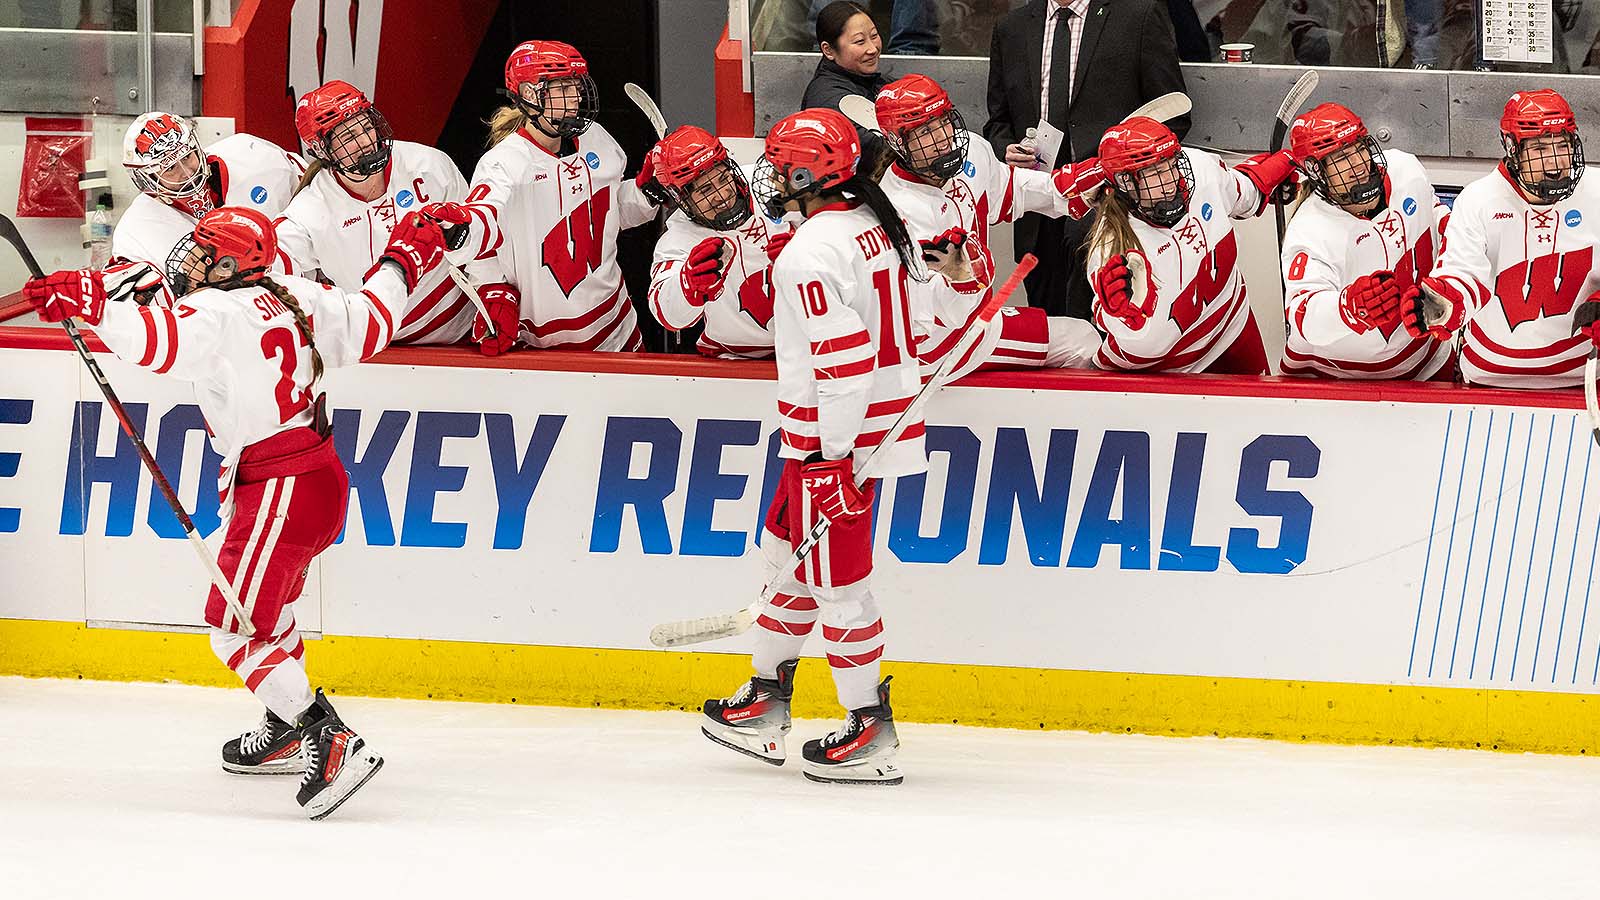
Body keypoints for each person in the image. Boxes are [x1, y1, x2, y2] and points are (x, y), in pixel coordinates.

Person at [21, 205, 451, 818]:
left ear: (227, 265)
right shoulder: (295, 292)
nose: (189, 259)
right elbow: (372, 318)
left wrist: (95, 305)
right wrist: (404, 259)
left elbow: (159, 342)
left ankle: (326, 736)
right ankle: (285, 726)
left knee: (235, 627)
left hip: (277, 487)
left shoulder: (214, 313)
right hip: (319, 479)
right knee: (269, 617)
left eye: (202, 252)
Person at [699, 108, 973, 785]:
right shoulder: (872, 227)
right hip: (832, 442)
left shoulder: (812, 250)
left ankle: (869, 728)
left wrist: (833, 459)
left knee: (841, 587)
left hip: (840, 446)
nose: (768, 178)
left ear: (804, 173)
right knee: (787, 561)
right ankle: (766, 697)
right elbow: (921, 321)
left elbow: (846, 362)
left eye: (779, 165)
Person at [427, 40, 660, 354]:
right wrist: (492, 287)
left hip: (617, 332)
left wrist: (647, 191)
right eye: (562, 88)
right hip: (543, 346)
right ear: (529, 95)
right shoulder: (504, 163)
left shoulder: (597, 139)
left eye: (576, 86)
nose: (576, 97)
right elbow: (481, 231)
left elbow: (611, 215)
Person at [873, 73, 1100, 376]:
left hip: (977, 319)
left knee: (1081, 332)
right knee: (1081, 341)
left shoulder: (974, 152)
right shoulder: (897, 212)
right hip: (938, 345)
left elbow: (1012, 187)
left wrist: (1073, 185)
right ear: (897, 142)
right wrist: (965, 279)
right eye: (924, 131)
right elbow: (936, 315)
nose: (942, 136)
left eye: (943, 120)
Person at [983, 0, 1190, 319]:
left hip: (1112, 208)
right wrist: (1006, 148)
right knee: (1050, 338)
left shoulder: (1139, 16)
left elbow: (1173, 114)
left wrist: (1125, 165)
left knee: (1109, 334)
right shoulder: (1012, 27)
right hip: (1039, 212)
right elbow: (998, 120)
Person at [1403, 89, 1600, 389]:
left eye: (1561, 146)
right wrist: (1443, 302)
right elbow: (1462, 270)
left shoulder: (1596, 190)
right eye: (1539, 150)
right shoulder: (1479, 199)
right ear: (1513, 148)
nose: (1555, 163)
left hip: (1583, 376)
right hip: (1490, 376)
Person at [1083, 116, 1296, 374]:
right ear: (1126, 183)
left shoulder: (1199, 169)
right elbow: (1136, 340)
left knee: (1264, 412)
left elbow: (1242, 192)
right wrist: (1125, 318)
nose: (1170, 180)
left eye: (1171, 164)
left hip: (1231, 325)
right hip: (1169, 368)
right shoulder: (1112, 248)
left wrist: (1271, 177)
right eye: (1154, 172)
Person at [274, 80, 476, 346]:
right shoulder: (310, 212)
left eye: (366, 127)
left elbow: (483, 239)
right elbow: (271, 268)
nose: (366, 141)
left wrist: (496, 289)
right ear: (322, 149)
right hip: (377, 348)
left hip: (458, 336)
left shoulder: (429, 166)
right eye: (348, 137)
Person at [1279, 103, 1453, 380]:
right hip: (1338, 376)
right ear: (1317, 171)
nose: (1357, 166)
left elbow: (1430, 210)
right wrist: (1349, 307)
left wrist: (1452, 230)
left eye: (1358, 150)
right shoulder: (1310, 229)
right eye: (1340, 159)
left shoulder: (1405, 169)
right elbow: (1303, 316)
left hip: (1427, 357)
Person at [646, 125, 789, 359]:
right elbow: (667, 315)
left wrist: (807, 244)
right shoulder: (679, 239)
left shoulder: (768, 184)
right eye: (705, 190)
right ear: (682, 199)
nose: (722, 195)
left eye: (724, 179)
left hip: (805, 348)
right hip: (733, 359)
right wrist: (687, 285)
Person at [114, 112, 305, 278]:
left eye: (187, 156)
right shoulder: (136, 230)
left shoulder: (253, 154)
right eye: (170, 168)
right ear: (147, 179)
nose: (187, 172)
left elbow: (312, 204)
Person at [801, 2, 891, 171]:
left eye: (874, 36)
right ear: (828, 50)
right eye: (859, 41)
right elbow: (879, 150)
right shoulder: (826, 99)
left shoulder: (877, 81)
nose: (873, 49)